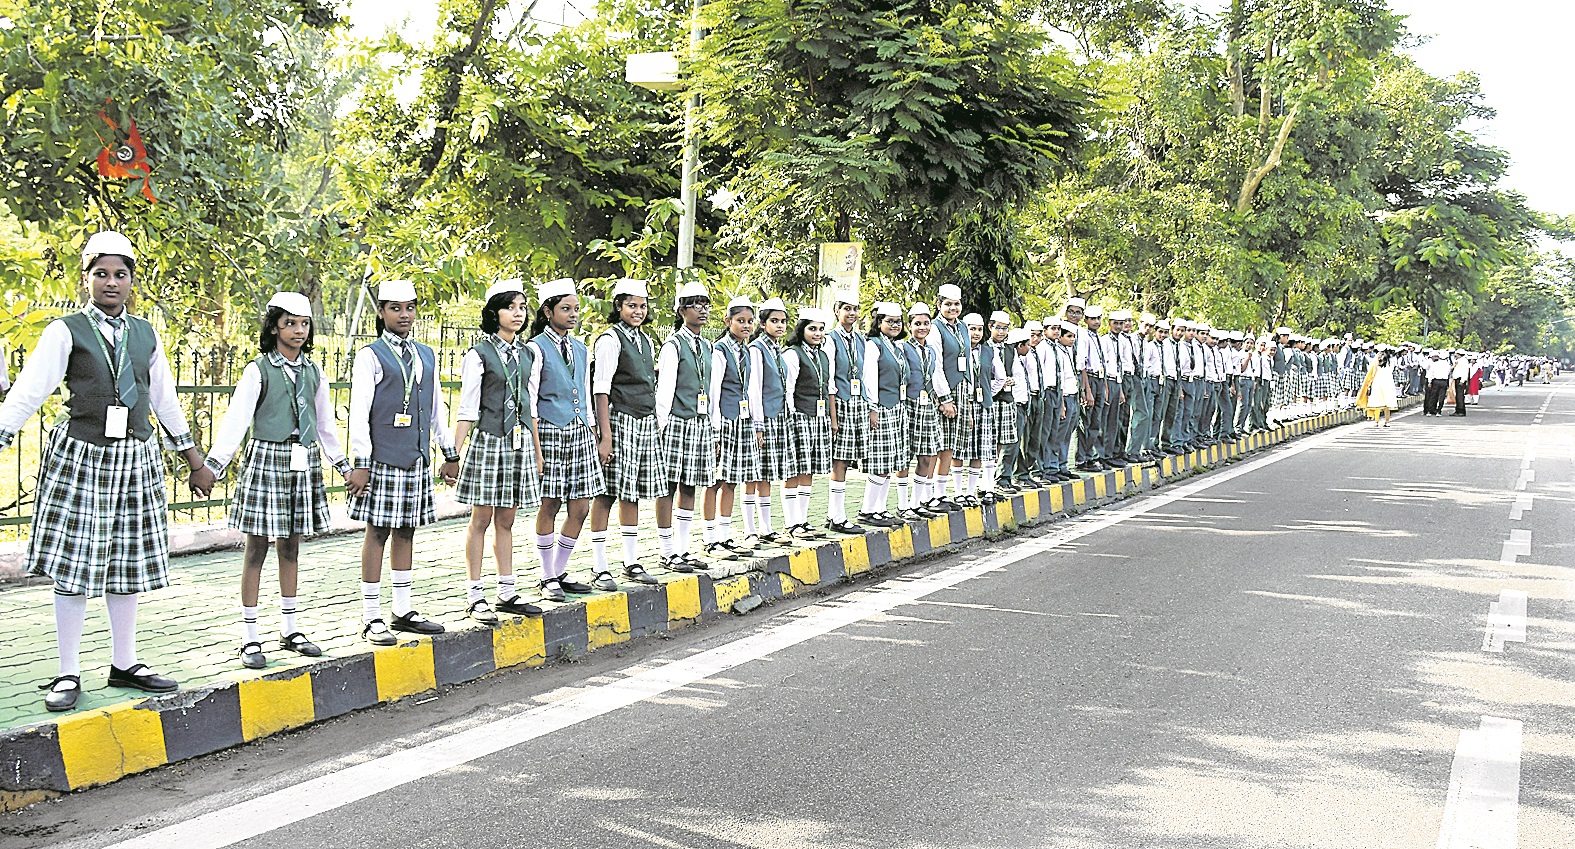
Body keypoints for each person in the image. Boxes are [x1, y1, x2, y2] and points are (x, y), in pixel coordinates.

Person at [0, 232, 217, 711]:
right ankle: (67, 671)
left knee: (126, 562)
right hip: (83, 454)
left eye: (120, 274)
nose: (111, 282)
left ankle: (125, 663)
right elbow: (30, 390)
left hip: (135, 456)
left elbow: (163, 398)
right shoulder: (66, 331)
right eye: (101, 273)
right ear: (86, 279)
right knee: (75, 565)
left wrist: (193, 459)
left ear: (132, 281)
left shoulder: (145, 334)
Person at [204, 292, 351, 666]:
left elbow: (324, 425)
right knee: (256, 547)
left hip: (303, 460)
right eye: (290, 324)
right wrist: (214, 466)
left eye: (304, 324)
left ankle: (289, 628)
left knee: (291, 546)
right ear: (273, 328)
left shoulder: (313, 372)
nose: (298, 331)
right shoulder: (258, 370)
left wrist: (343, 466)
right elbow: (237, 421)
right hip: (267, 458)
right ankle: (249, 636)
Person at [347, 279, 460, 645]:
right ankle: (371, 617)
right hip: (382, 458)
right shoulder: (370, 356)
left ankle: (402, 610)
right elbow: (359, 413)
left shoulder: (426, 354)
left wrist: (449, 453)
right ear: (381, 312)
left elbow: (436, 409)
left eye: (410, 308)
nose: (404, 315)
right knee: (378, 531)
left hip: (415, 457)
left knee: (407, 530)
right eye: (395, 308)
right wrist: (361, 461)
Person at [454, 280, 545, 622]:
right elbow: (467, 408)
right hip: (490, 439)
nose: (518, 314)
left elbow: (530, 404)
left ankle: (506, 591)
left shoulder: (529, 354)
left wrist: (537, 451)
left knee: (507, 519)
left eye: (522, 307)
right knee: (481, 518)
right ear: (494, 313)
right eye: (510, 307)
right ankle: (475, 594)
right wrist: (453, 454)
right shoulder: (478, 354)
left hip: (519, 442)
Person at [526, 278, 605, 602]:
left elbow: (584, 393)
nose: (573, 314)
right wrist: (536, 448)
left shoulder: (581, 348)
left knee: (581, 507)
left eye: (575, 309)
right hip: (549, 430)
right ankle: (547, 576)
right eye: (565, 309)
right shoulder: (535, 348)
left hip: (579, 432)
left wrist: (593, 431)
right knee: (551, 503)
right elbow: (530, 400)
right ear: (548, 311)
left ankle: (558, 570)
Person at [588, 278, 665, 589]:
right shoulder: (610, 340)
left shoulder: (645, 340)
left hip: (644, 423)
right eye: (631, 305)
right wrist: (605, 437)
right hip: (620, 420)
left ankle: (631, 562)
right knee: (607, 492)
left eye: (642, 306)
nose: (638, 311)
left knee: (631, 493)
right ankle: (599, 566)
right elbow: (601, 390)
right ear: (618, 306)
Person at [654, 281, 716, 571]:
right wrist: (661, 427)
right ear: (681, 311)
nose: (702, 310)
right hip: (676, 422)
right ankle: (667, 551)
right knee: (668, 486)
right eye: (695, 305)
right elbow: (665, 390)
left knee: (690, 485)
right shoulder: (673, 345)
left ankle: (683, 548)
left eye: (705, 304)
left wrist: (713, 426)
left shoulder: (707, 345)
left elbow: (711, 389)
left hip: (700, 422)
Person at [705, 297, 760, 555]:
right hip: (724, 420)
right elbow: (713, 391)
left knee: (732, 480)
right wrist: (715, 429)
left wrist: (756, 424)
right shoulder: (720, 350)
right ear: (728, 322)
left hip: (742, 420)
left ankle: (724, 535)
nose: (746, 325)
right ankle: (709, 538)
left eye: (750, 321)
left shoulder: (746, 351)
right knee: (714, 480)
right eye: (740, 321)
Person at [745, 297, 798, 545]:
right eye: (774, 321)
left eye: (783, 321)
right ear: (762, 323)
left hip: (779, 417)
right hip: (763, 418)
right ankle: (750, 529)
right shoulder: (757, 349)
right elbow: (754, 388)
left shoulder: (777, 349)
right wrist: (758, 424)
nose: (779, 325)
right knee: (754, 475)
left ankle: (766, 527)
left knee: (767, 473)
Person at [782, 306, 835, 539]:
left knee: (809, 470)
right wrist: (791, 417)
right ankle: (791, 523)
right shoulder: (792, 354)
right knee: (794, 470)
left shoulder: (823, 355)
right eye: (812, 329)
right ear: (802, 329)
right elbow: (788, 390)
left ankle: (802, 521)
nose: (817, 333)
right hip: (799, 416)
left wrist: (831, 419)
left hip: (819, 417)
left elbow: (829, 387)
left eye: (821, 329)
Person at [856, 302, 911, 525]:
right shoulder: (874, 344)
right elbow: (869, 379)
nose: (895, 325)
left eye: (898, 322)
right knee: (880, 461)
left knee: (890, 461)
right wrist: (873, 408)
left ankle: (880, 508)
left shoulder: (896, 346)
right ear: (879, 323)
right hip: (881, 408)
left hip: (897, 407)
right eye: (889, 321)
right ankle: (867, 511)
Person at [905, 302, 953, 515]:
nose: (922, 327)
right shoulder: (903, 348)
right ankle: (904, 505)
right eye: (917, 323)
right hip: (909, 405)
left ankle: (918, 502)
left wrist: (942, 399)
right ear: (909, 326)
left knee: (927, 455)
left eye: (926, 323)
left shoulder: (931, 351)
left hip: (928, 407)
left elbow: (935, 375)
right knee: (905, 458)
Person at [827, 297, 869, 533]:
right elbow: (830, 380)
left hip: (857, 403)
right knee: (839, 460)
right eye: (846, 309)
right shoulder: (830, 339)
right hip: (841, 402)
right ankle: (837, 516)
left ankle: (834, 513)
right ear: (837, 311)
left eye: (855, 309)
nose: (851, 313)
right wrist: (833, 417)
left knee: (849, 459)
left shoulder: (860, 339)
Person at [928, 284, 969, 510]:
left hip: (961, 390)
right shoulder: (935, 328)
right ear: (939, 305)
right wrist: (945, 398)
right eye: (948, 304)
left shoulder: (962, 327)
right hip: (944, 392)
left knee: (951, 445)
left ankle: (942, 494)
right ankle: (929, 495)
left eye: (956, 304)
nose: (953, 308)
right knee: (938, 445)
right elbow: (936, 365)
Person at [985, 311, 1017, 495]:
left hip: (1006, 399)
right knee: (988, 442)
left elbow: (1015, 371)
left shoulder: (1010, 349)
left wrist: (1011, 380)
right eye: (998, 328)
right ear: (990, 327)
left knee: (1002, 442)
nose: (1001, 332)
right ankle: (987, 482)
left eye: (1005, 328)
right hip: (991, 399)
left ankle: (997, 479)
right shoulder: (985, 348)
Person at [1358, 347, 1399, 426]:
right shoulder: (1391, 361)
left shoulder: (1375, 361)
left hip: (1377, 382)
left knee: (1377, 403)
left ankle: (1376, 421)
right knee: (1387, 403)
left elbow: (1372, 372)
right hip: (1388, 383)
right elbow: (1391, 370)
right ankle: (1387, 422)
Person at [1450, 350, 1470, 416]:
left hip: (1460, 379)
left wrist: (1462, 380)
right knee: (1457, 395)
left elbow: (1465, 371)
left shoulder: (1464, 361)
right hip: (1457, 378)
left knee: (1460, 396)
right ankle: (1457, 409)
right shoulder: (1459, 360)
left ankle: (1461, 410)